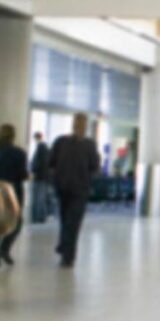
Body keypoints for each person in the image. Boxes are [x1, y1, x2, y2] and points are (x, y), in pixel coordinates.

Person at [49, 113, 99, 268]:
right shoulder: (89, 145)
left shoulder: (60, 141)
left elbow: (51, 162)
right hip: (79, 188)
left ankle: (65, 248)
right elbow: (95, 166)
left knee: (65, 220)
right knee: (73, 222)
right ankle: (67, 253)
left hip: (63, 186)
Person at [0, 124, 28, 267]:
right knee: (16, 222)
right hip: (13, 191)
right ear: (13, 136)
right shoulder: (19, 153)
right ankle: (4, 248)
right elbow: (22, 175)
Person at [30, 131, 52, 224]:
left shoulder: (41, 147)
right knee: (40, 197)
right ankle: (39, 217)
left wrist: (34, 171)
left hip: (40, 176)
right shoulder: (44, 147)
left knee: (38, 197)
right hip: (43, 177)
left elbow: (39, 163)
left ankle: (38, 217)